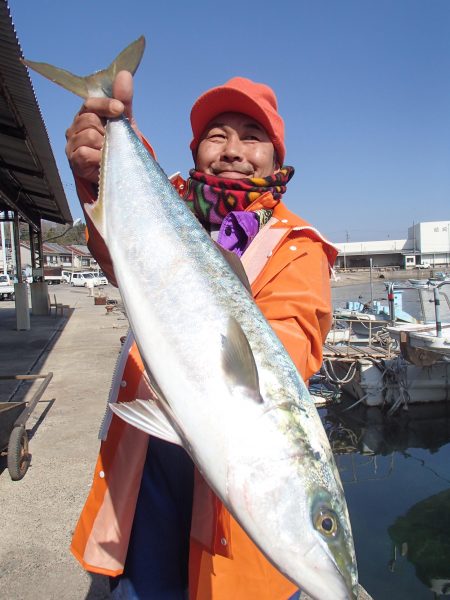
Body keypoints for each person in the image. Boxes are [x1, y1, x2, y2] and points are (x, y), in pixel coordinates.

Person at [65, 71, 337, 600]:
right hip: (147, 477)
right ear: (196, 151)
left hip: (234, 499)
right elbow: (123, 249)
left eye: (252, 136)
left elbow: (289, 348)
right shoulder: (167, 205)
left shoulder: (298, 247)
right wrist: (106, 163)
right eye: (217, 134)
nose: (233, 149)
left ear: (276, 159)